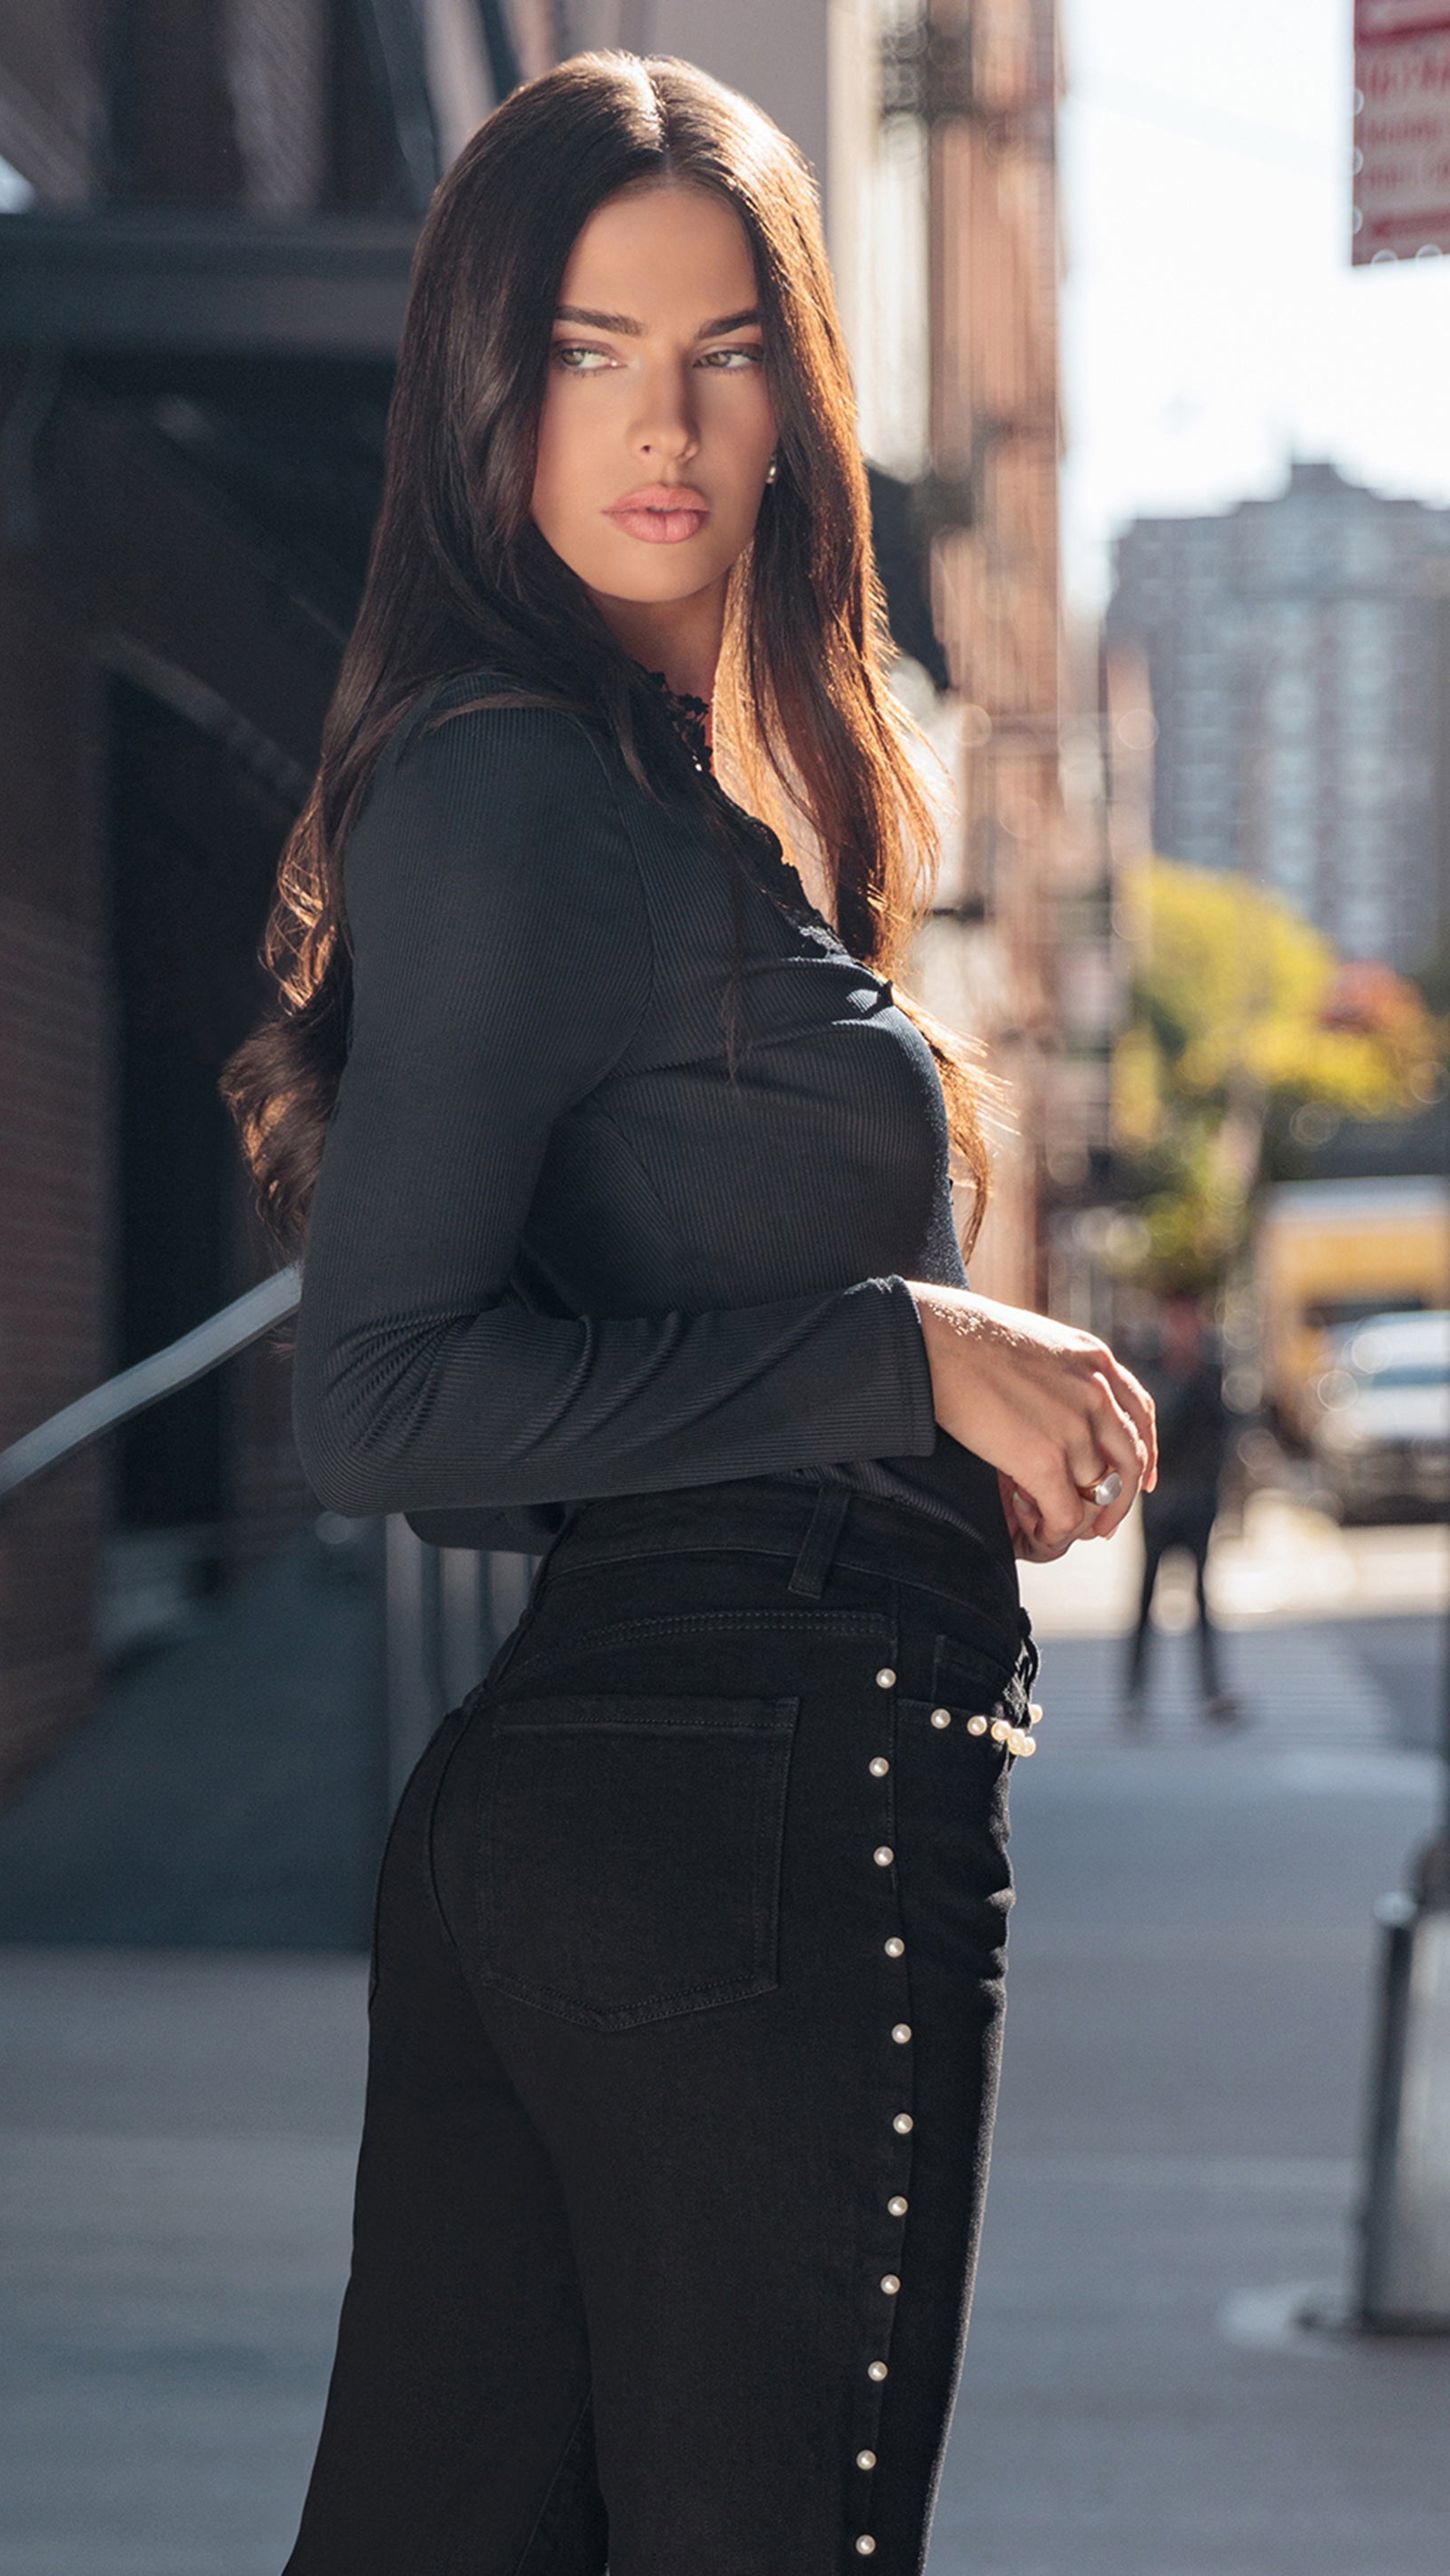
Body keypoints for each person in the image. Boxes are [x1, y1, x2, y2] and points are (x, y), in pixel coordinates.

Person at [223, 52, 1157, 2575]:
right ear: (479, 386)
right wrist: (896, 1355)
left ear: (790, 395)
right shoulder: (521, 783)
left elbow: (550, 1379)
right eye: (587, 343)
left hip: (612, 1816)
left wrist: (917, 1411)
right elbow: (386, 1401)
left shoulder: (654, 799)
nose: (660, 418)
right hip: (757, 1810)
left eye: (721, 345)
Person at [1122, 1292, 1239, 1728]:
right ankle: (1134, 1693)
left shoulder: (1211, 1370)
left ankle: (1211, 1691)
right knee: (1145, 1598)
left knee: (1203, 1602)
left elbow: (1226, 1429)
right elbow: (1150, 1428)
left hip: (1198, 1499)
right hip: (1160, 1500)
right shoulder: (1151, 1369)